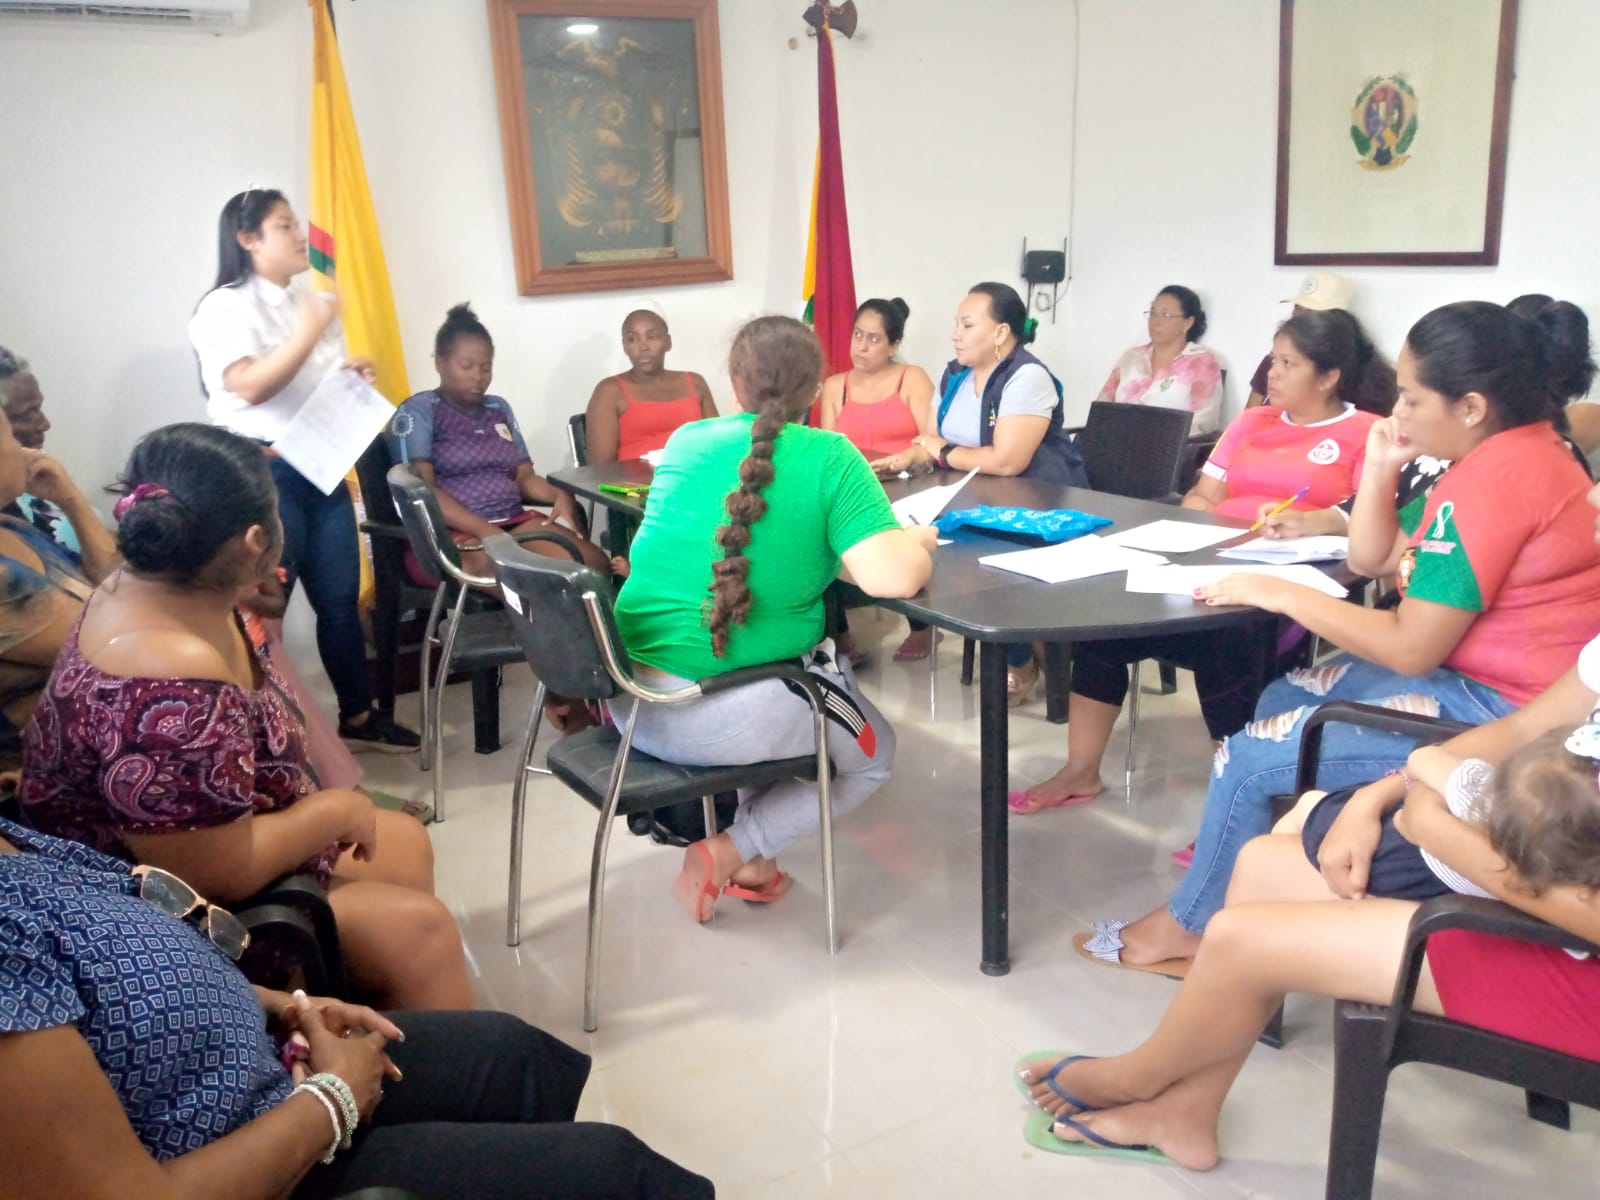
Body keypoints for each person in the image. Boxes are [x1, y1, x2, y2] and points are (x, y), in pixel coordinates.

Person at [1079, 300, 1600, 972]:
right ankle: (1265, 879)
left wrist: (1280, 592)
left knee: (1249, 756)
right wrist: (1381, 466)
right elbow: (1373, 558)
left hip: (1498, 708)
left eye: (1412, 398)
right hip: (1475, 678)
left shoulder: (1495, 482)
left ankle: (1193, 929)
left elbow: (1411, 646)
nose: (1397, 412)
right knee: (1280, 696)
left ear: (1470, 407)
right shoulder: (1508, 452)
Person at [1014, 624, 1600, 1168]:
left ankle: (1135, 1077)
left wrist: (1432, 824)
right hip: (1536, 878)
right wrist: (1382, 794)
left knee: (1239, 938)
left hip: (1574, 956)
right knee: (1261, 866)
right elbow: (1520, 731)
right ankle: (1185, 1114)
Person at [0, 819, 716, 1199]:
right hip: (236, 1158)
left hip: (257, 1067)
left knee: (507, 1052)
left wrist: (285, 1007)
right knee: (610, 1171)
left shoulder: (15, 841)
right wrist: (333, 1100)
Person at [20, 424, 473, 1010]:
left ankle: (372, 1019)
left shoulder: (150, 587)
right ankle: (373, 1047)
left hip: (218, 839)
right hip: (159, 918)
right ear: (256, 538)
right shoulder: (168, 677)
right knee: (422, 933)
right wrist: (332, 810)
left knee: (405, 843)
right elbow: (214, 874)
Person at [613, 316, 936, 922]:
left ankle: (757, 867)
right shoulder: (830, 456)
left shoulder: (686, 441)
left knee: (772, 668)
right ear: (816, 390)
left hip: (631, 702)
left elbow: (758, 549)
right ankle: (731, 850)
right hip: (723, 715)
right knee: (874, 757)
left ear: (733, 381)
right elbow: (891, 579)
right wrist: (919, 542)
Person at [1011, 308, 1394, 815]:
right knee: (1105, 629)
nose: (1272, 373)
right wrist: (1186, 539)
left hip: (1287, 587)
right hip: (1207, 565)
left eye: (1288, 364)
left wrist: (1313, 521)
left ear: (1328, 377)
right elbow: (1203, 496)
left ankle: (1236, 806)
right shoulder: (1251, 422)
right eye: (1273, 360)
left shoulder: (1367, 432)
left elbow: (1371, 519)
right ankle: (1080, 771)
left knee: (1224, 645)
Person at [188, 188, 418, 753]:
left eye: (296, 223)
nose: (300, 236)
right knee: (266, 606)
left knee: (338, 600)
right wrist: (311, 331)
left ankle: (358, 716)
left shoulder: (305, 302)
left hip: (321, 463)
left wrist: (348, 376)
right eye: (285, 225)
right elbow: (250, 385)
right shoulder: (225, 306)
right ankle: (256, 735)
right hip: (261, 475)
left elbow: (308, 382)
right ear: (248, 239)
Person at [867, 282, 1087, 702]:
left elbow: (1007, 461)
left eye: (967, 325)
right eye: (957, 324)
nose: (956, 334)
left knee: (981, 565)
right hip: (972, 496)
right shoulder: (955, 373)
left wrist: (943, 451)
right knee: (914, 536)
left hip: (1037, 504)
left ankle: (1020, 657)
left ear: (1001, 332)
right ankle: (1025, 646)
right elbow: (930, 438)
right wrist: (912, 456)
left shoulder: (1027, 377)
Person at [388, 303, 612, 579]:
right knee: (529, 581)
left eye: (485, 368)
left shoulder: (498, 408)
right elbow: (422, 493)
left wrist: (559, 494)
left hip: (513, 523)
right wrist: (487, 531)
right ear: (440, 363)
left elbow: (524, 478)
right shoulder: (419, 411)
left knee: (593, 566)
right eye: (466, 366)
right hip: (452, 535)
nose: (478, 377)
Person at [818, 297, 939, 662]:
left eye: (874, 339)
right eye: (858, 335)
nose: (861, 346)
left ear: (894, 345)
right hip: (855, 488)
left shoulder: (911, 378)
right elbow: (829, 448)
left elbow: (931, 441)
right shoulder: (835, 385)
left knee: (905, 536)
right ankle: (839, 633)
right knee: (821, 535)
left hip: (907, 483)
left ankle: (922, 627)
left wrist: (907, 458)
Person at [0, 408, 101, 772]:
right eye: (11, 436)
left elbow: (116, 583)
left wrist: (70, 500)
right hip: (34, 781)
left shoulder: (11, 527)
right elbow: (116, 640)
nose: (25, 449)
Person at [0, 344, 118, 576]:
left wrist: (70, 499)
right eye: (25, 415)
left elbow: (113, 577)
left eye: (38, 409)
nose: (45, 424)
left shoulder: (36, 489)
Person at [584, 308, 718, 464]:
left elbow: (717, 444)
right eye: (632, 339)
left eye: (652, 337)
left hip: (696, 474)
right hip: (636, 479)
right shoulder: (609, 391)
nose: (643, 347)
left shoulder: (695, 383)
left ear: (668, 342)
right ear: (625, 347)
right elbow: (600, 468)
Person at [1096, 285, 1224, 435]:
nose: (1156, 322)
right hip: (1116, 442)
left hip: (1169, 446)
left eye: (1166, 315)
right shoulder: (1131, 357)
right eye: (1153, 313)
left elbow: (1204, 424)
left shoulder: (1202, 363)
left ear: (1188, 323)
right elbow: (1101, 408)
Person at [1245, 271, 1355, 408]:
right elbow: (1249, 415)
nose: (1299, 316)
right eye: (1298, 307)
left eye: (1311, 311)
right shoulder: (1273, 361)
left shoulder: (1353, 376)